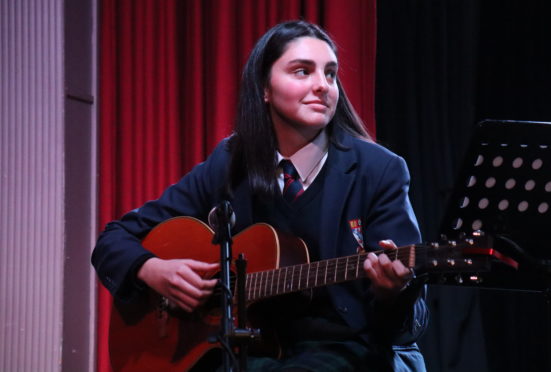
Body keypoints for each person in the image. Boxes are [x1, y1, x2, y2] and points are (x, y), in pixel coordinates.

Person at [92, 20, 428, 372]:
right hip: (252, 347)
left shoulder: (379, 170)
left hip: (344, 346)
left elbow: (409, 316)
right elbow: (115, 239)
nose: (322, 86)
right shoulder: (232, 161)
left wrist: (395, 291)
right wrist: (153, 269)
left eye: (330, 74)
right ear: (264, 88)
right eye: (302, 71)